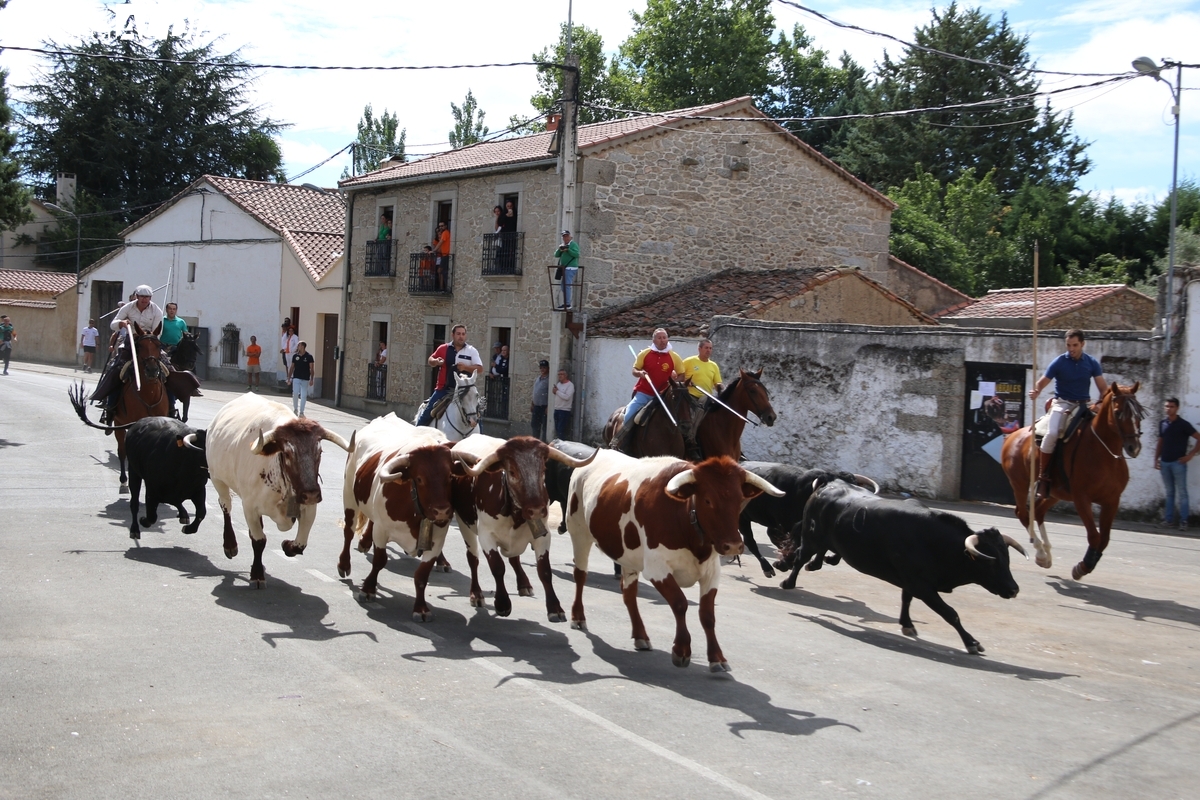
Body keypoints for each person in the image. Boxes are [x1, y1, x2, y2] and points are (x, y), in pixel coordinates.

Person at [1028, 329, 1108, 502]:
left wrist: (1101, 402)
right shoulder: (1059, 362)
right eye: (1068, 345)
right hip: (1062, 403)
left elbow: (1103, 387)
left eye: (1075, 345)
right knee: (1052, 434)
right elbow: (1042, 381)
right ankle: (1043, 478)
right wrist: (1036, 390)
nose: (1071, 349)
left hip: (1084, 404)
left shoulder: (1091, 363)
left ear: (1082, 344)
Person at [609, 328, 685, 450]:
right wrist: (640, 373)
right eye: (659, 338)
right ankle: (620, 442)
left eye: (664, 337)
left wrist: (674, 380)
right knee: (629, 415)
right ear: (653, 340)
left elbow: (682, 375)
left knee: (681, 416)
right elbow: (634, 370)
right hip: (644, 393)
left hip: (663, 396)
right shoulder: (644, 354)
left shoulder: (674, 356)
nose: (662, 340)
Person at [415, 324, 483, 427]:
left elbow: (480, 369)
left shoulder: (472, 351)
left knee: (477, 415)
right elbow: (430, 360)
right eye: (458, 334)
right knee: (427, 413)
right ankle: (417, 434)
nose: (461, 336)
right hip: (444, 389)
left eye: (463, 334)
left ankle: (479, 438)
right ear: (453, 335)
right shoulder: (443, 348)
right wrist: (436, 361)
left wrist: (465, 368)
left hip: (465, 389)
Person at [1155, 398, 1200, 531]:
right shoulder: (1163, 423)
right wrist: (1156, 459)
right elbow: (1161, 442)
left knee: (1182, 493)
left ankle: (1184, 521)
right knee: (1169, 492)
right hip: (1165, 462)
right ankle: (1169, 520)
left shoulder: (1183, 424)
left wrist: (1190, 455)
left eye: (1172, 406)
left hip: (1178, 463)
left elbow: (1198, 438)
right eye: (1167, 406)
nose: (1169, 409)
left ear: (1177, 408)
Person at [680, 339, 725, 458]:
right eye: (706, 348)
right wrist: (685, 382)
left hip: (706, 397)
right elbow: (679, 377)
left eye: (710, 348)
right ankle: (690, 440)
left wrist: (722, 388)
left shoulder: (713, 365)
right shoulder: (689, 362)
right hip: (689, 397)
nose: (709, 350)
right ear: (699, 349)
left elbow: (717, 383)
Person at [159, 302, 188, 417]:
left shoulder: (181, 322)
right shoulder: (161, 320)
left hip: (176, 348)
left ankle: (191, 385)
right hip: (162, 347)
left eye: (174, 309)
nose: (172, 311)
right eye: (170, 309)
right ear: (166, 310)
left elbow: (185, 334)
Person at [287, 341, 316, 417]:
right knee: (295, 393)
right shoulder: (295, 356)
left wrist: (311, 379)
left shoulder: (309, 356)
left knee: (303, 395)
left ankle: (301, 412)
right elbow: (292, 367)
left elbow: (312, 368)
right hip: (296, 377)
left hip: (305, 378)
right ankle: (295, 409)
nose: (298, 347)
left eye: (299, 345)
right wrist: (289, 378)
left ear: (303, 346)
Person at [553, 230, 579, 310]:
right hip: (565, 268)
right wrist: (560, 249)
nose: (565, 237)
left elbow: (577, 254)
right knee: (563, 285)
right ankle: (566, 303)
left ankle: (567, 304)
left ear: (570, 236)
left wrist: (568, 250)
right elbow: (556, 255)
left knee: (566, 285)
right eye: (564, 236)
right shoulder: (563, 245)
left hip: (571, 267)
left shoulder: (573, 244)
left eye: (567, 236)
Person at [553, 368, 575, 440]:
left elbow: (567, 397)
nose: (560, 376)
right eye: (559, 374)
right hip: (557, 409)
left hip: (564, 411)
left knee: (561, 431)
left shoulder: (570, 385)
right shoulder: (558, 384)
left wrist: (557, 392)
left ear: (566, 375)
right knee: (557, 430)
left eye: (561, 374)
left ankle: (561, 447)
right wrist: (555, 391)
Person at [530, 359, 550, 441]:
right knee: (534, 425)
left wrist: (548, 406)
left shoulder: (549, 379)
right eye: (541, 367)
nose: (542, 369)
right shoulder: (538, 378)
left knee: (544, 426)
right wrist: (532, 403)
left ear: (548, 368)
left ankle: (543, 442)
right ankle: (535, 441)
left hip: (544, 406)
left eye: (544, 367)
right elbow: (535, 391)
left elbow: (550, 394)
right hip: (536, 406)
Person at [432, 221, 451, 291]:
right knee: (442, 271)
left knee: (440, 271)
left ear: (445, 226)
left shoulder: (445, 232)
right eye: (440, 226)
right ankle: (442, 287)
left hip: (445, 255)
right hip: (444, 255)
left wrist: (434, 250)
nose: (441, 227)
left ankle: (444, 287)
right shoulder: (444, 233)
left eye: (442, 226)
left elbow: (441, 242)